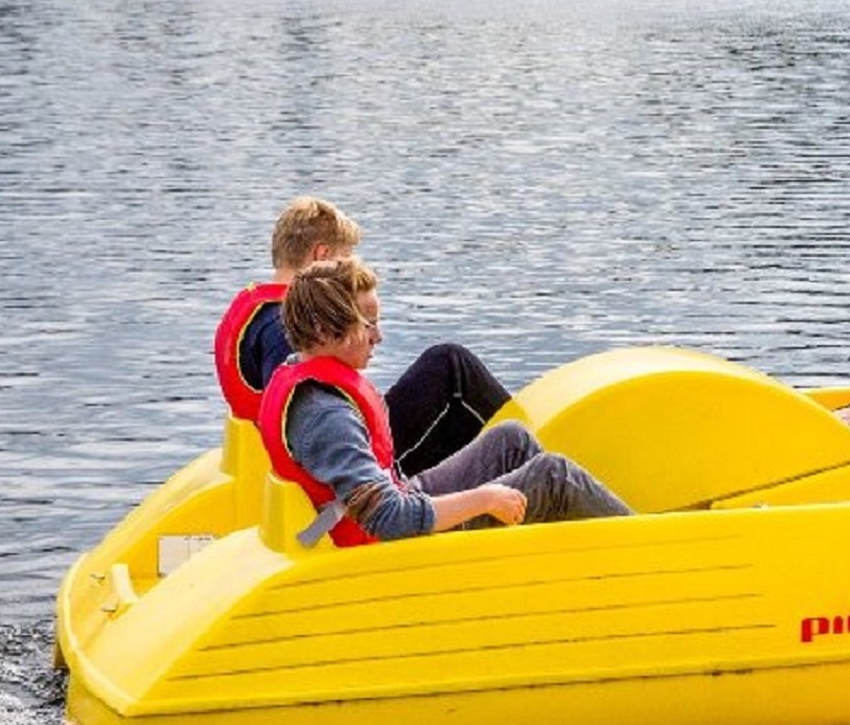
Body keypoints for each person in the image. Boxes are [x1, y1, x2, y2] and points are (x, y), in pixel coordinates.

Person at [259, 256, 633, 546]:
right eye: (367, 324)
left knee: (511, 440)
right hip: (397, 549)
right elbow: (390, 519)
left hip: (397, 500)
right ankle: (647, 554)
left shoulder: (299, 370)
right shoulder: (325, 414)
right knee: (553, 476)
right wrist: (485, 499)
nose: (379, 337)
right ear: (323, 329)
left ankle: (570, 555)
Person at [212, 196, 512, 475]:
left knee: (458, 424)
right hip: (342, 455)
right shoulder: (287, 325)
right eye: (345, 260)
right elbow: (302, 416)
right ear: (322, 256)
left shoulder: (261, 311)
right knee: (450, 364)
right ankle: (531, 450)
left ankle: (508, 467)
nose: (351, 271)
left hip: (334, 441)